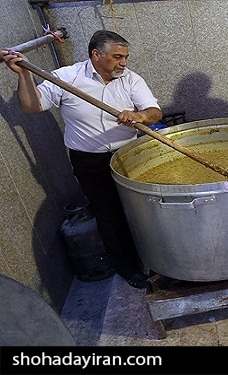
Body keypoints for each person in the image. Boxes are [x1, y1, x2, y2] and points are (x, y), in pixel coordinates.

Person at [1, 30, 163, 289]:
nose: (124, 63)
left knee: (141, 210)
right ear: (96, 55)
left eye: (126, 57)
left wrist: (139, 116)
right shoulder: (67, 77)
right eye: (117, 57)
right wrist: (24, 75)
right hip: (89, 161)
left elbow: (155, 112)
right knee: (108, 215)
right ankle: (127, 267)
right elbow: (32, 106)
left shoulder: (131, 79)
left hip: (129, 156)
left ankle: (157, 259)